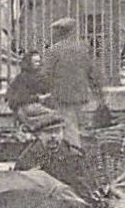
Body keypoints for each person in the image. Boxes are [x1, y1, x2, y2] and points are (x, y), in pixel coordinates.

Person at [42, 18, 106, 150]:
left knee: (69, 128)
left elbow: (45, 74)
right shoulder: (83, 48)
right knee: (81, 127)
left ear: (60, 32)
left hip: (62, 95)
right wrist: (99, 94)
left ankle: (75, 155)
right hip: (81, 94)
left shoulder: (53, 51)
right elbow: (93, 73)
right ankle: (85, 153)